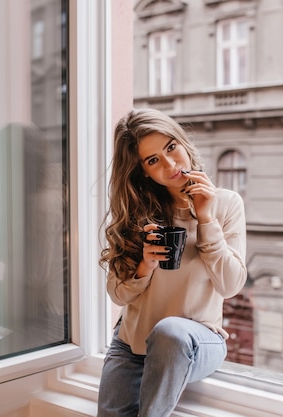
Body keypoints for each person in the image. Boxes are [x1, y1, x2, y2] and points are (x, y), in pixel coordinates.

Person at [97, 108, 248, 416]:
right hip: (132, 344)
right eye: (153, 160)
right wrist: (145, 266)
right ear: (143, 172)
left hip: (198, 340)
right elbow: (117, 294)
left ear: (182, 142)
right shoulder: (137, 212)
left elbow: (231, 285)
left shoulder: (226, 204)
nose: (170, 164)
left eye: (170, 147)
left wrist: (205, 219)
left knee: (170, 332)